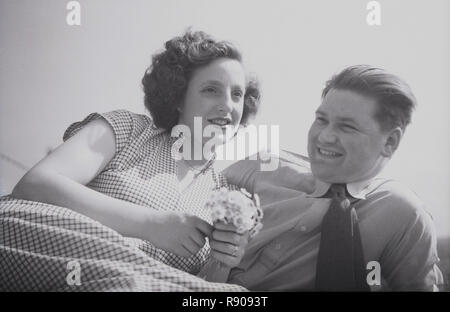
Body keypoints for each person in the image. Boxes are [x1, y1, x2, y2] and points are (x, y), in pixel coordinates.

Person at [7, 30, 260, 277]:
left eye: (237, 94)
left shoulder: (225, 197)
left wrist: (223, 262)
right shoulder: (128, 130)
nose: (228, 105)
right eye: (211, 89)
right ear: (179, 96)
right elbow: (35, 184)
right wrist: (150, 224)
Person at [224, 65, 443, 291]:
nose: (325, 136)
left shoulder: (402, 214)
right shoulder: (261, 168)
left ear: (390, 142)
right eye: (321, 120)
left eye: (347, 127)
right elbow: (192, 206)